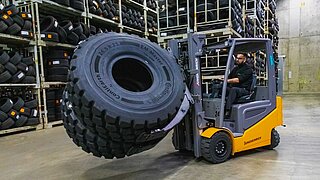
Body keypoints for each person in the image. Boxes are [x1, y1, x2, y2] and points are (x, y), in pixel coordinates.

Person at [224, 53, 253, 118]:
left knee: (234, 89)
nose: (237, 60)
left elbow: (238, 80)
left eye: (239, 58)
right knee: (219, 86)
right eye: (237, 58)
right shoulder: (235, 69)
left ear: (244, 59)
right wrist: (222, 80)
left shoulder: (248, 69)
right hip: (235, 88)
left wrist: (227, 80)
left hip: (244, 90)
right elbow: (229, 77)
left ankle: (227, 111)